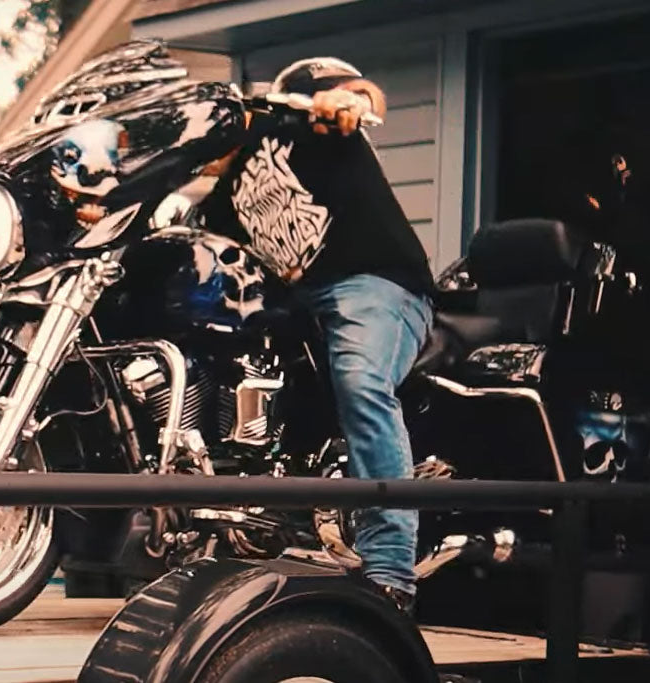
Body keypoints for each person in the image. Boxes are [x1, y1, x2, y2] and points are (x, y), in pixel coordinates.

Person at [198, 57, 436, 613]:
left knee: (360, 380)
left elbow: (364, 93)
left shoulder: (302, 124)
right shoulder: (222, 196)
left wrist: (349, 102)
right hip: (296, 303)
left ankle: (391, 570)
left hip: (375, 282)